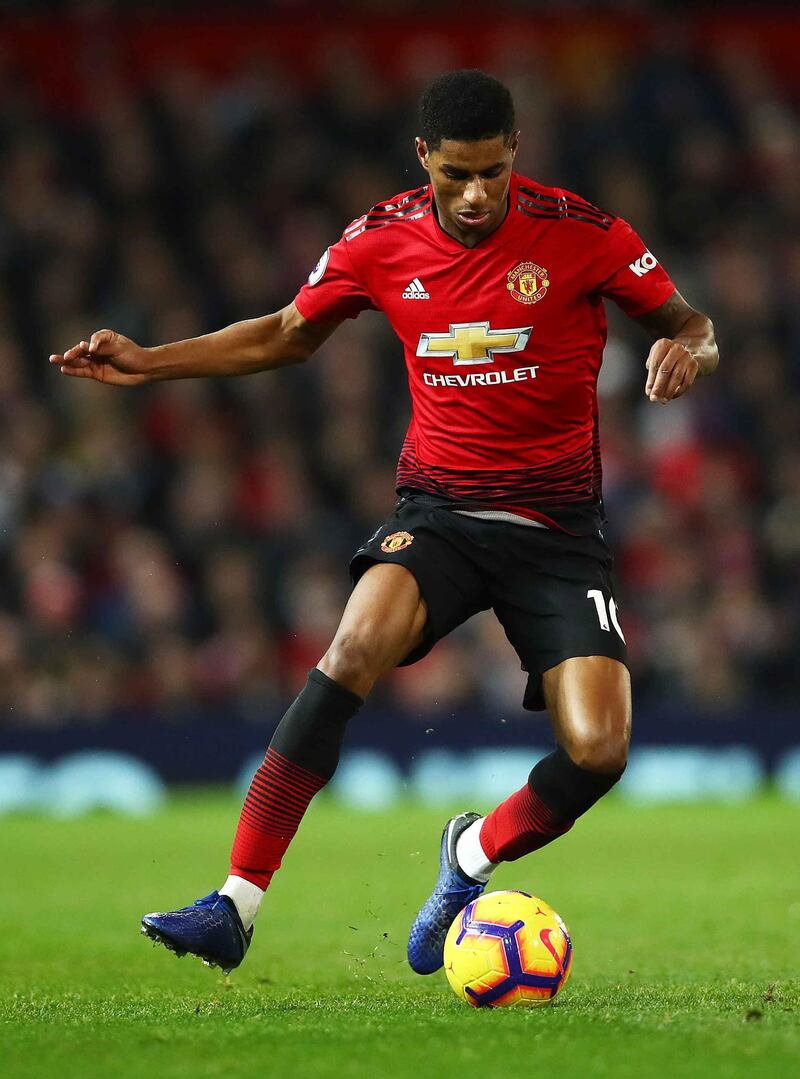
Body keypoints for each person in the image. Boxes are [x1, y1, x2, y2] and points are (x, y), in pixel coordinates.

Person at [50, 69, 718, 977]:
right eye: (456, 175)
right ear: (423, 160)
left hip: (559, 527)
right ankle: (235, 903)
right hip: (438, 514)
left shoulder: (584, 233)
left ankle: (471, 857)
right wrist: (152, 362)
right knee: (352, 642)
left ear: (517, 150)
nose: (477, 194)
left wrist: (689, 346)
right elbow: (290, 330)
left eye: (493, 171)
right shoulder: (379, 240)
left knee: (600, 749)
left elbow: (693, 321)